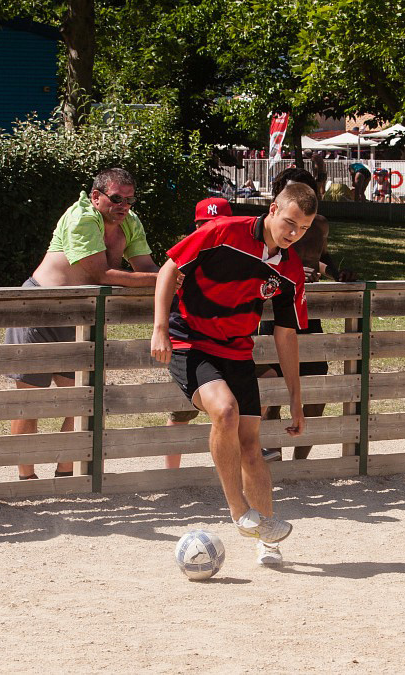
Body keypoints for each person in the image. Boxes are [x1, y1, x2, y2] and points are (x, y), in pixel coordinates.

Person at [150, 183, 318, 567]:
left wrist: (296, 400)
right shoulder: (223, 231)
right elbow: (169, 267)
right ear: (273, 209)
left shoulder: (290, 268)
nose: (293, 233)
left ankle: (267, 539)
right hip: (190, 341)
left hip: (238, 350)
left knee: (250, 448)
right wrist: (159, 328)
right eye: (289, 222)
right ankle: (238, 511)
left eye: (303, 228)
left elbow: (286, 334)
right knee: (224, 411)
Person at [5, 168, 159, 481]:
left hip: (79, 315)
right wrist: (167, 278)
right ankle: (26, 480)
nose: (124, 206)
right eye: (116, 198)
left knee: (83, 400)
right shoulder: (82, 217)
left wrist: (168, 278)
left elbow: (146, 268)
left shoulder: (130, 222)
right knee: (30, 402)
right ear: (96, 196)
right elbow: (100, 274)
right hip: (38, 310)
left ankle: (65, 475)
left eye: (129, 200)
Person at [258, 168, 357, 462]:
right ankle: (272, 455)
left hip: (308, 311)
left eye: (307, 192)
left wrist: (337, 272)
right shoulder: (267, 225)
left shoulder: (319, 225)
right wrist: (293, 273)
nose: (300, 198)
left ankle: (300, 462)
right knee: (272, 386)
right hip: (272, 310)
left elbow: (319, 257)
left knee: (316, 385)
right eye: (293, 191)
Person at [164, 197, 235, 469]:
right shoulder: (184, 255)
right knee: (181, 412)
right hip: (188, 345)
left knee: (238, 404)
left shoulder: (237, 256)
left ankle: (238, 464)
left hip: (224, 343)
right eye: (204, 225)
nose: (210, 230)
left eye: (217, 224)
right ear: (195, 227)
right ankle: (171, 475)